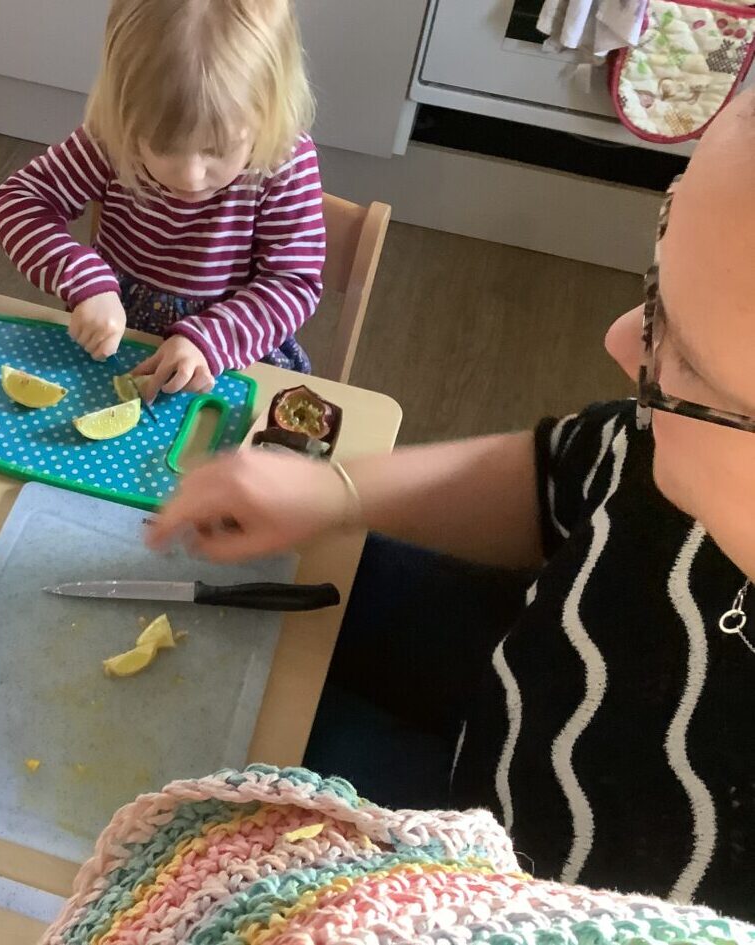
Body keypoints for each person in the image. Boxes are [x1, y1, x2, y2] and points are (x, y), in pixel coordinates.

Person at [145, 91, 755, 918]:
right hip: (501, 685)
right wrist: (335, 491)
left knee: (184, 782)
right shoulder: (676, 442)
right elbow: (560, 474)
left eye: (683, 361)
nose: (620, 339)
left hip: (477, 882)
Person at [0, 0, 325, 399]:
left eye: (218, 150)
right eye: (164, 148)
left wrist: (208, 340)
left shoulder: (284, 163)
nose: (190, 176)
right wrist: (85, 280)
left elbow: (292, 282)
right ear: (124, 114)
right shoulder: (112, 137)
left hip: (227, 350)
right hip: (116, 339)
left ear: (267, 113)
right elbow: (20, 201)